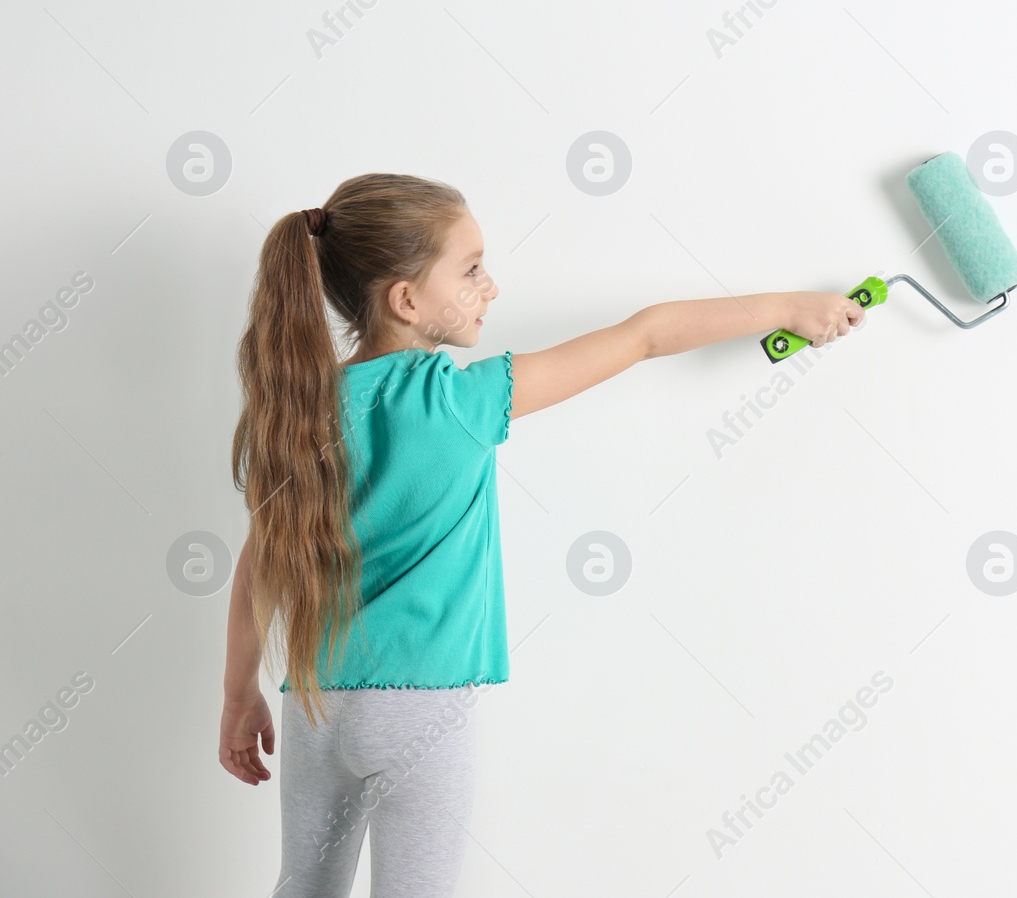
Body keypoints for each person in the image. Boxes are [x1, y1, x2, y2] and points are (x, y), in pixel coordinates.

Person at [218, 173, 864, 897]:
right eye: (471, 270)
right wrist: (790, 308)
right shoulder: (459, 398)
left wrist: (238, 693)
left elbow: (257, 566)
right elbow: (643, 336)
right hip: (419, 710)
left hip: (318, 706)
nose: (489, 287)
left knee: (302, 887)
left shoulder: (301, 410)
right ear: (406, 299)